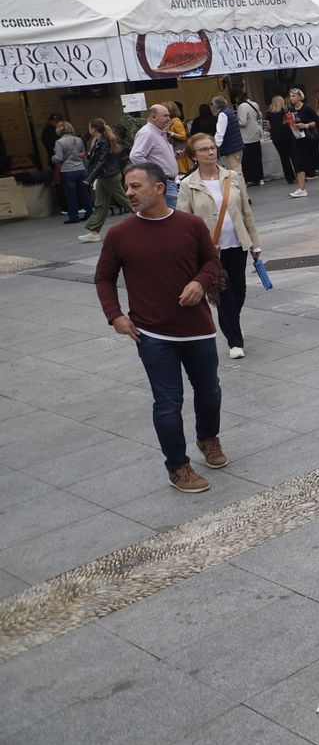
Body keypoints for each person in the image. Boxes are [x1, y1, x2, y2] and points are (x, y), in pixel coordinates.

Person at [93, 162, 230, 494]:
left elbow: (212, 261)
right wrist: (115, 316)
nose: (129, 193)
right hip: (152, 334)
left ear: (158, 188)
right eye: (127, 187)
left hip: (198, 328)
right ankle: (177, 467)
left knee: (209, 390)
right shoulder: (120, 235)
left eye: (136, 186)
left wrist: (200, 282)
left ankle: (207, 438)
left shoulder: (191, 225)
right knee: (168, 402)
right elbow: (104, 277)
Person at [177, 134, 263, 361]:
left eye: (212, 148)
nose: (210, 152)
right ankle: (235, 341)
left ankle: (232, 323)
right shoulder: (188, 184)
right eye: (203, 150)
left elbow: (246, 211)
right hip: (209, 250)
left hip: (237, 243)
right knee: (224, 293)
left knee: (239, 290)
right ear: (194, 156)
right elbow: (183, 222)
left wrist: (255, 244)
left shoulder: (232, 177)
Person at [78, 120, 132, 243]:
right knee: (101, 204)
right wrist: (87, 155)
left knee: (124, 199)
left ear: (93, 129)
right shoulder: (100, 140)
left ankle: (147, 215)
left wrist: (90, 179)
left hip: (109, 176)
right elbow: (100, 159)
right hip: (106, 175)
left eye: (89, 128)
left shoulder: (103, 141)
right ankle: (94, 231)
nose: (88, 130)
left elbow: (102, 161)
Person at [129, 104, 181, 208]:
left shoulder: (159, 132)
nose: (169, 119)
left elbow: (157, 157)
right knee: (174, 217)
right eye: (165, 116)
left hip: (169, 181)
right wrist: (152, 174)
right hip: (162, 181)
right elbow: (135, 155)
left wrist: (174, 156)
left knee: (171, 217)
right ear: (154, 117)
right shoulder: (147, 133)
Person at [286, 88, 319, 196]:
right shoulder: (291, 110)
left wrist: (306, 125)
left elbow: (318, 122)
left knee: (316, 160)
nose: (292, 98)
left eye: (294, 96)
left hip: (309, 138)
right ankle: (302, 189)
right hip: (297, 138)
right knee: (299, 162)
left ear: (300, 97)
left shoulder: (307, 109)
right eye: (290, 96)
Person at [51, 120, 87, 224]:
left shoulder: (59, 142)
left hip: (68, 171)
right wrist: (86, 167)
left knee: (71, 195)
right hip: (81, 169)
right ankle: (89, 213)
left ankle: (74, 216)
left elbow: (59, 158)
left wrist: (52, 158)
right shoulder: (78, 140)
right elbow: (83, 155)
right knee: (84, 193)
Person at [211, 96, 245, 174]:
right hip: (238, 145)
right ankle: (240, 185)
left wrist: (215, 146)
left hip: (231, 147)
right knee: (237, 169)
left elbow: (220, 133)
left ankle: (239, 186)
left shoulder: (222, 115)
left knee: (235, 171)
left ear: (215, 106)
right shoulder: (230, 112)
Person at [167, 101, 192, 177]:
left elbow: (183, 136)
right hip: (175, 150)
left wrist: (171, 133)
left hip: (180, 150)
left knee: (183, 171)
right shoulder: (170, 122)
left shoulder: (176, 122)